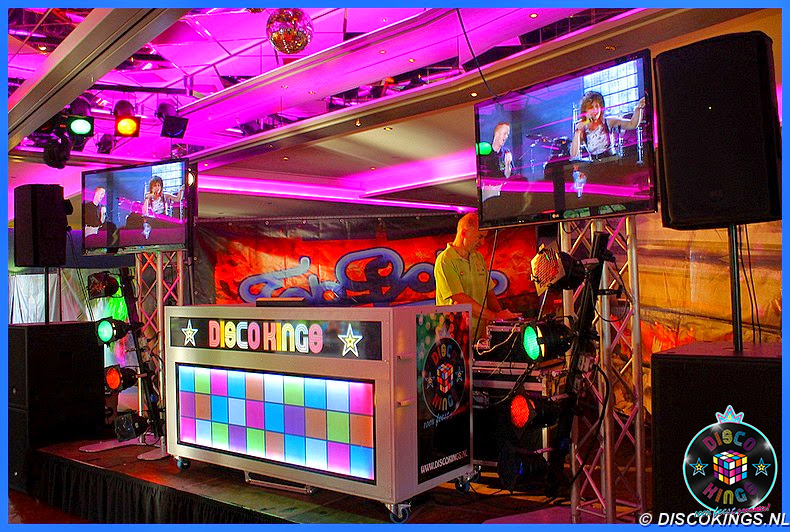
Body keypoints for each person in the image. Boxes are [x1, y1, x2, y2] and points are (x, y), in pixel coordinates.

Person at [434, 212, 519, 340]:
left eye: (484, 237)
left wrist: (504, 319)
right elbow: (460, 299)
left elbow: (489, 293)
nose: (482, 242)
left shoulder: (478, 257)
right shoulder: (445, 260)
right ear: (464, 233)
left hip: (479, 336)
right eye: (479, 237)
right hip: (454, 338)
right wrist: (495, 316)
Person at [570, 92, 646, 159]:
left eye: (597, 106)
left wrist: (638, 108)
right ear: (585, 110)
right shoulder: (583, 128)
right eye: (591, 107)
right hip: (595, 166)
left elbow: (632, 124)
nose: (595, 110)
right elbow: (573, 154)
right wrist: (577, 132)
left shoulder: (608, 121)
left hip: (612, 162)